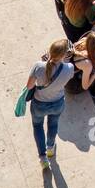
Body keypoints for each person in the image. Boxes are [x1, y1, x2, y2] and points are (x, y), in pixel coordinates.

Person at [25, 40, 75, 169]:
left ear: (50, 51)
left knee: (38, 127)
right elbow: (66, 76)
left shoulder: (39, 66)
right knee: (53, 124)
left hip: (39, 104)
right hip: (57, 103)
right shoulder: (69, 68)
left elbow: (29, 86)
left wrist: (43, 63)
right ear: (64, 54)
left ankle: (43, 158)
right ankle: (50, 147)